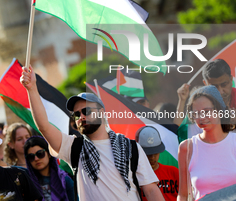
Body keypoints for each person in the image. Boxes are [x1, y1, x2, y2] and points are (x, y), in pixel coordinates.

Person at [21, 66, 164, 201]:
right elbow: (44, 127)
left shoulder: (131, 147)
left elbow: (150, 190)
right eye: (76, 115)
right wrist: (32, 89)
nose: (81, 117)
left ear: (102, 112)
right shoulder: (73, 147)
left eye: (86, 111)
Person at [177, 85, 236, 200]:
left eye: (206, 111)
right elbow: (183, 194)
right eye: (196, 113)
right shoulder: (187, 148)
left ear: (219, 110)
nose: (202, 117)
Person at [175, 59, 236, 126]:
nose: (220, 91)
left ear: (231, 79)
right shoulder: (200, 102)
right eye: (214, 87)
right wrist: (182, 100)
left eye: (224, 85)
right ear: (205, 83)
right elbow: (176, 131)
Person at [24, 136, 74, 201]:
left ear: (49, 154)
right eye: (31, 157)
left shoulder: (65, 180)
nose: (36, 159)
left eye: (40, 153)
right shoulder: (27, 183)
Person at [135, 126, 179, 201]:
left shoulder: (174, 172)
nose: (152, 157)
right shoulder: (134, 176)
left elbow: (186, 196)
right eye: (148, 153)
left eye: (155, 153)